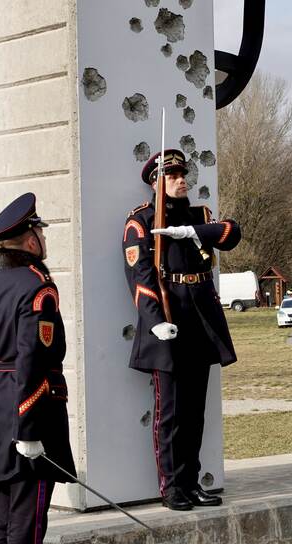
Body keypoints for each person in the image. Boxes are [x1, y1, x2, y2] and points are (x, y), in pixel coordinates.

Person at [123, 149, 241, 510]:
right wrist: (156, 321)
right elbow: (140, 279)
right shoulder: (140, 222)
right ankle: (172, 487)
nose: (180, 180)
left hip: (199, 321)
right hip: (169, 321)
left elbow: (231, 232)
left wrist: (192, 231)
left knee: (195, 414)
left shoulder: (199, 215)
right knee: (171, 413)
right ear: (155, 182)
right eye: (172, 175)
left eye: (182, 174)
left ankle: (192, 482)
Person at [0, 193, 75, 544]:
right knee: (28, 520)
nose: (44, 239)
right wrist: (27, 427)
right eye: (41, 232)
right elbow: (33, 360)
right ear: (31, 239)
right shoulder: (37, 287)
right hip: (32, 408)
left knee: (3, 517)